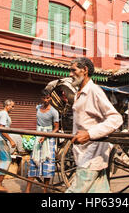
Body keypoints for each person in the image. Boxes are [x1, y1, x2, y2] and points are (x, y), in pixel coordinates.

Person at [65, 57, 123, 193]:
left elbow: (115, 118)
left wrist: (89, 134)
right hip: (84, 154)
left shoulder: (94, 91)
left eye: (73, 70)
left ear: (85, 70)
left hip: (91, 156)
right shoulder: (79, 94)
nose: (70, 74)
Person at [24, 89, 60, 193]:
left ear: (50, 98)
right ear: (41, 98)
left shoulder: (54, 112)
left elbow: (56, 128)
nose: (45, 100)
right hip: (38, 135)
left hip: (49, 138)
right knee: (33, 162)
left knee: (47, 163)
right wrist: (39, 134)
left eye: (47, 98)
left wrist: (46, 135)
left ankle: (45, 190)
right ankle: (27, 190)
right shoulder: (38, 108)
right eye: (44, 98)